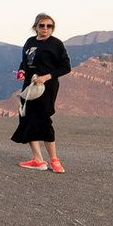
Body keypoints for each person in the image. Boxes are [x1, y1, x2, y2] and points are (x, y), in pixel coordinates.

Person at [11, 13, 72, 172]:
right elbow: (24, 62)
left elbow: (65, 67)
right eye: (42, 25)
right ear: (36, 27)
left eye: (49, 26)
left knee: (44, 119)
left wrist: (46, 77)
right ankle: (38, 160)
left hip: (46, 87)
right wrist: (21, 71)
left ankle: (54, 160)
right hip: (29, 86)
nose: (45, 28)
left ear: (52, 28)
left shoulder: (56, 44)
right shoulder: (29, 42)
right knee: (28, 119)